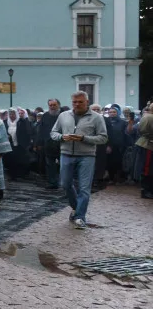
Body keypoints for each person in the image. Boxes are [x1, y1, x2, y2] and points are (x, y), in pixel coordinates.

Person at [50, 90, 108, 229]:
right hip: (66, 153)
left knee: (84, 188)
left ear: (87, 102)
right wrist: (61, 137)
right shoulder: (64, 115)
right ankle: (76, 208)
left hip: (87, 155)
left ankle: (80, 217)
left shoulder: (96, 117)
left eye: (80, 102)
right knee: (65, 184)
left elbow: (103, 138)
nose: (77, 104)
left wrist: (84, 138)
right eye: (74, 102)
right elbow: (53, 132)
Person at [36, 99, 62, 189]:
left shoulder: (63, 115)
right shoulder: (45, 115)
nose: (52, 107)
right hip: (48, 144)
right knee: (50, 165)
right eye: (50, 105)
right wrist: (39, 143)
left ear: (58, 105)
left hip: (61, 144)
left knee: (64, 165)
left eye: (54, 105)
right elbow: (41, 130)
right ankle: (52, 182)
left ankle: (63, 182)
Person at [5, 106, 33, 180]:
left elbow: (27, 132)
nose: (11, 116)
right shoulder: (7, 122)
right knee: (12, 160)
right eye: (10, 114)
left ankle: (21, 175)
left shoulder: (21, 122)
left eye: (13, 114)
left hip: (20, 145)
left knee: (20, 160)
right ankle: (12, 175)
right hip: (11, 145)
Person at [104, 104, 127, 184]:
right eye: (110, 112)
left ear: (117, 113)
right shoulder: (105, 121)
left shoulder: (123, 122)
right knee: (110, 163)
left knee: (119, 162)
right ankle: (111, 178)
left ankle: (119, 178)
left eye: (114, 112)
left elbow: (125, 134)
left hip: (120, 146)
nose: (112, 113)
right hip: (109, 146)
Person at [135, 103, 153, 198]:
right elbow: (144, 131)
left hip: (147, 144)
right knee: (147, 168)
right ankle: (146, 190)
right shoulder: (149, 117)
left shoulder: (147, 117)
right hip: (148, 145)